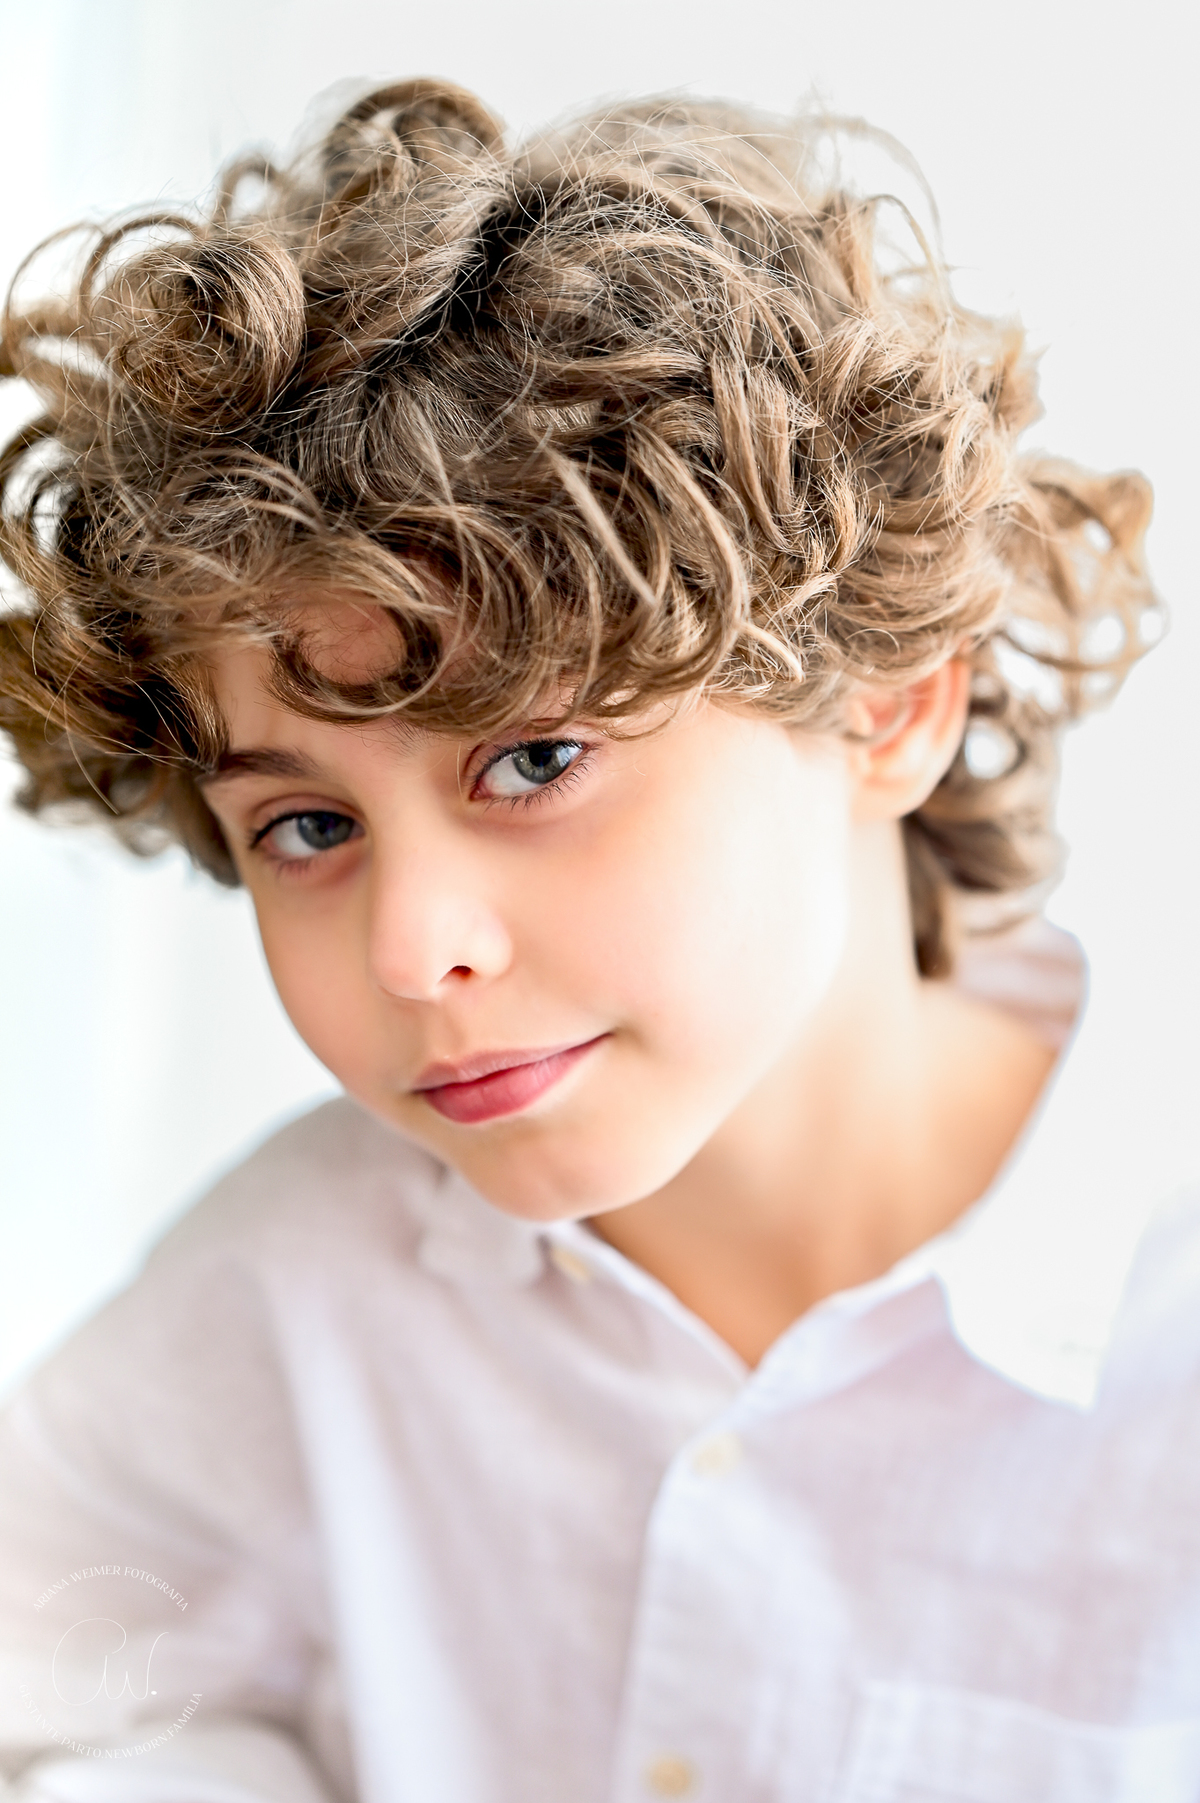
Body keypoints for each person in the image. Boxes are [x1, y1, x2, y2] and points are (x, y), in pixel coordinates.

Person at [0, 78, 1195, 1803]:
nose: (412, 951)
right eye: (310, 827)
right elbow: (53, 1701)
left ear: (885, 706)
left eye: (535, 762)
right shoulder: (299, 1282)